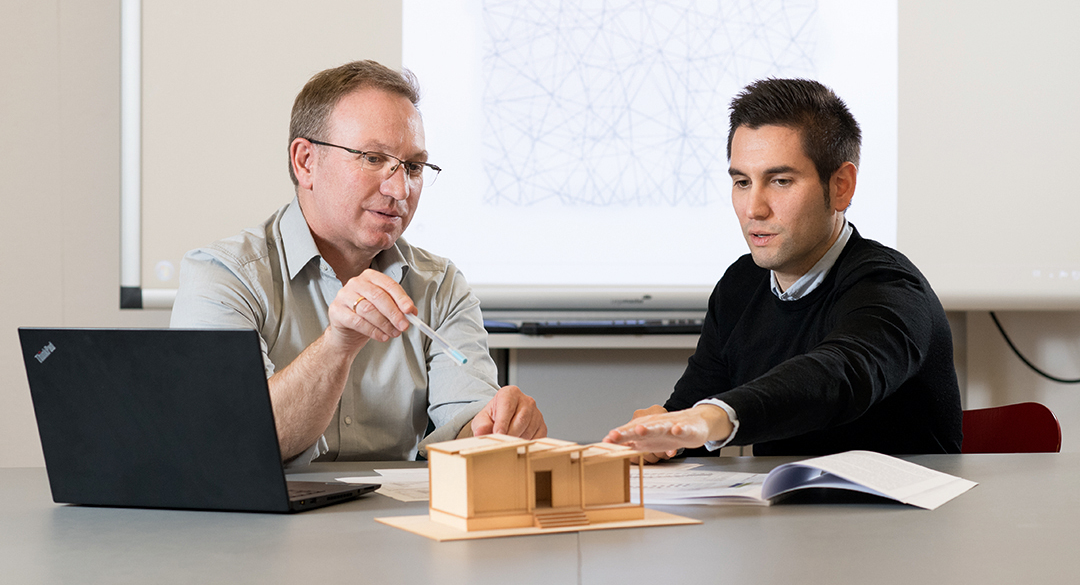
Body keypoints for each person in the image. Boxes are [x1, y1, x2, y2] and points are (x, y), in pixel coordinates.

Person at [171, 60, 546, 462]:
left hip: (399, 521)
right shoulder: (222, 276)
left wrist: (497, 428)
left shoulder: (441, 286)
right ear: (305, 163)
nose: (400, 189)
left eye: (414, 167)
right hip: (267, 521)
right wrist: (338, 344)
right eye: (371, 158)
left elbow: (467, 429)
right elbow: (232, 441)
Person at [605, 78, 962, 459]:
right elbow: (692, 415)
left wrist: (713, 418)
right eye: (742, 182)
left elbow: (839, 375)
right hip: (781, 514)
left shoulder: (891, 287)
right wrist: (666, 433)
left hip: (905, 515)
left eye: (780, 181)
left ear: (841, 186)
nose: (754, 209)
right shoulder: (740, 285)